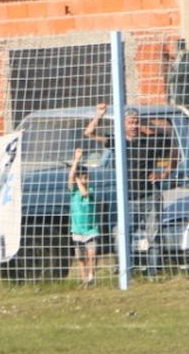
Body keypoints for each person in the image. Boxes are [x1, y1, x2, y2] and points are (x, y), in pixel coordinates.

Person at [83, 104, 172, 276]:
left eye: (136, 122)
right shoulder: (118, 141)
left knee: (153, 235)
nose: (134, 126)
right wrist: (100, 115)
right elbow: (89, 133)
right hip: (127, 198)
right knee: (121, 234)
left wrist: (165, 172)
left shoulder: (151, 141)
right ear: (124, 124)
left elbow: (173, 145)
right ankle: (126, 271)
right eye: (130, 122)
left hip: (149, 196)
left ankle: (153, 273)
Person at [67, 147, 98, 286]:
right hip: (77, 229)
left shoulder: (91, 190)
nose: (85, 180)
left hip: (91, 229)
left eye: (87, 177)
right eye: (83, 177)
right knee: (80, 257)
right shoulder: (73, 192)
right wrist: (76, 160)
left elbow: (85, 193)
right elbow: (71, 176)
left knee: (92, 254)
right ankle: (84, 279)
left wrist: (79, 180)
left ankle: (92, 276)